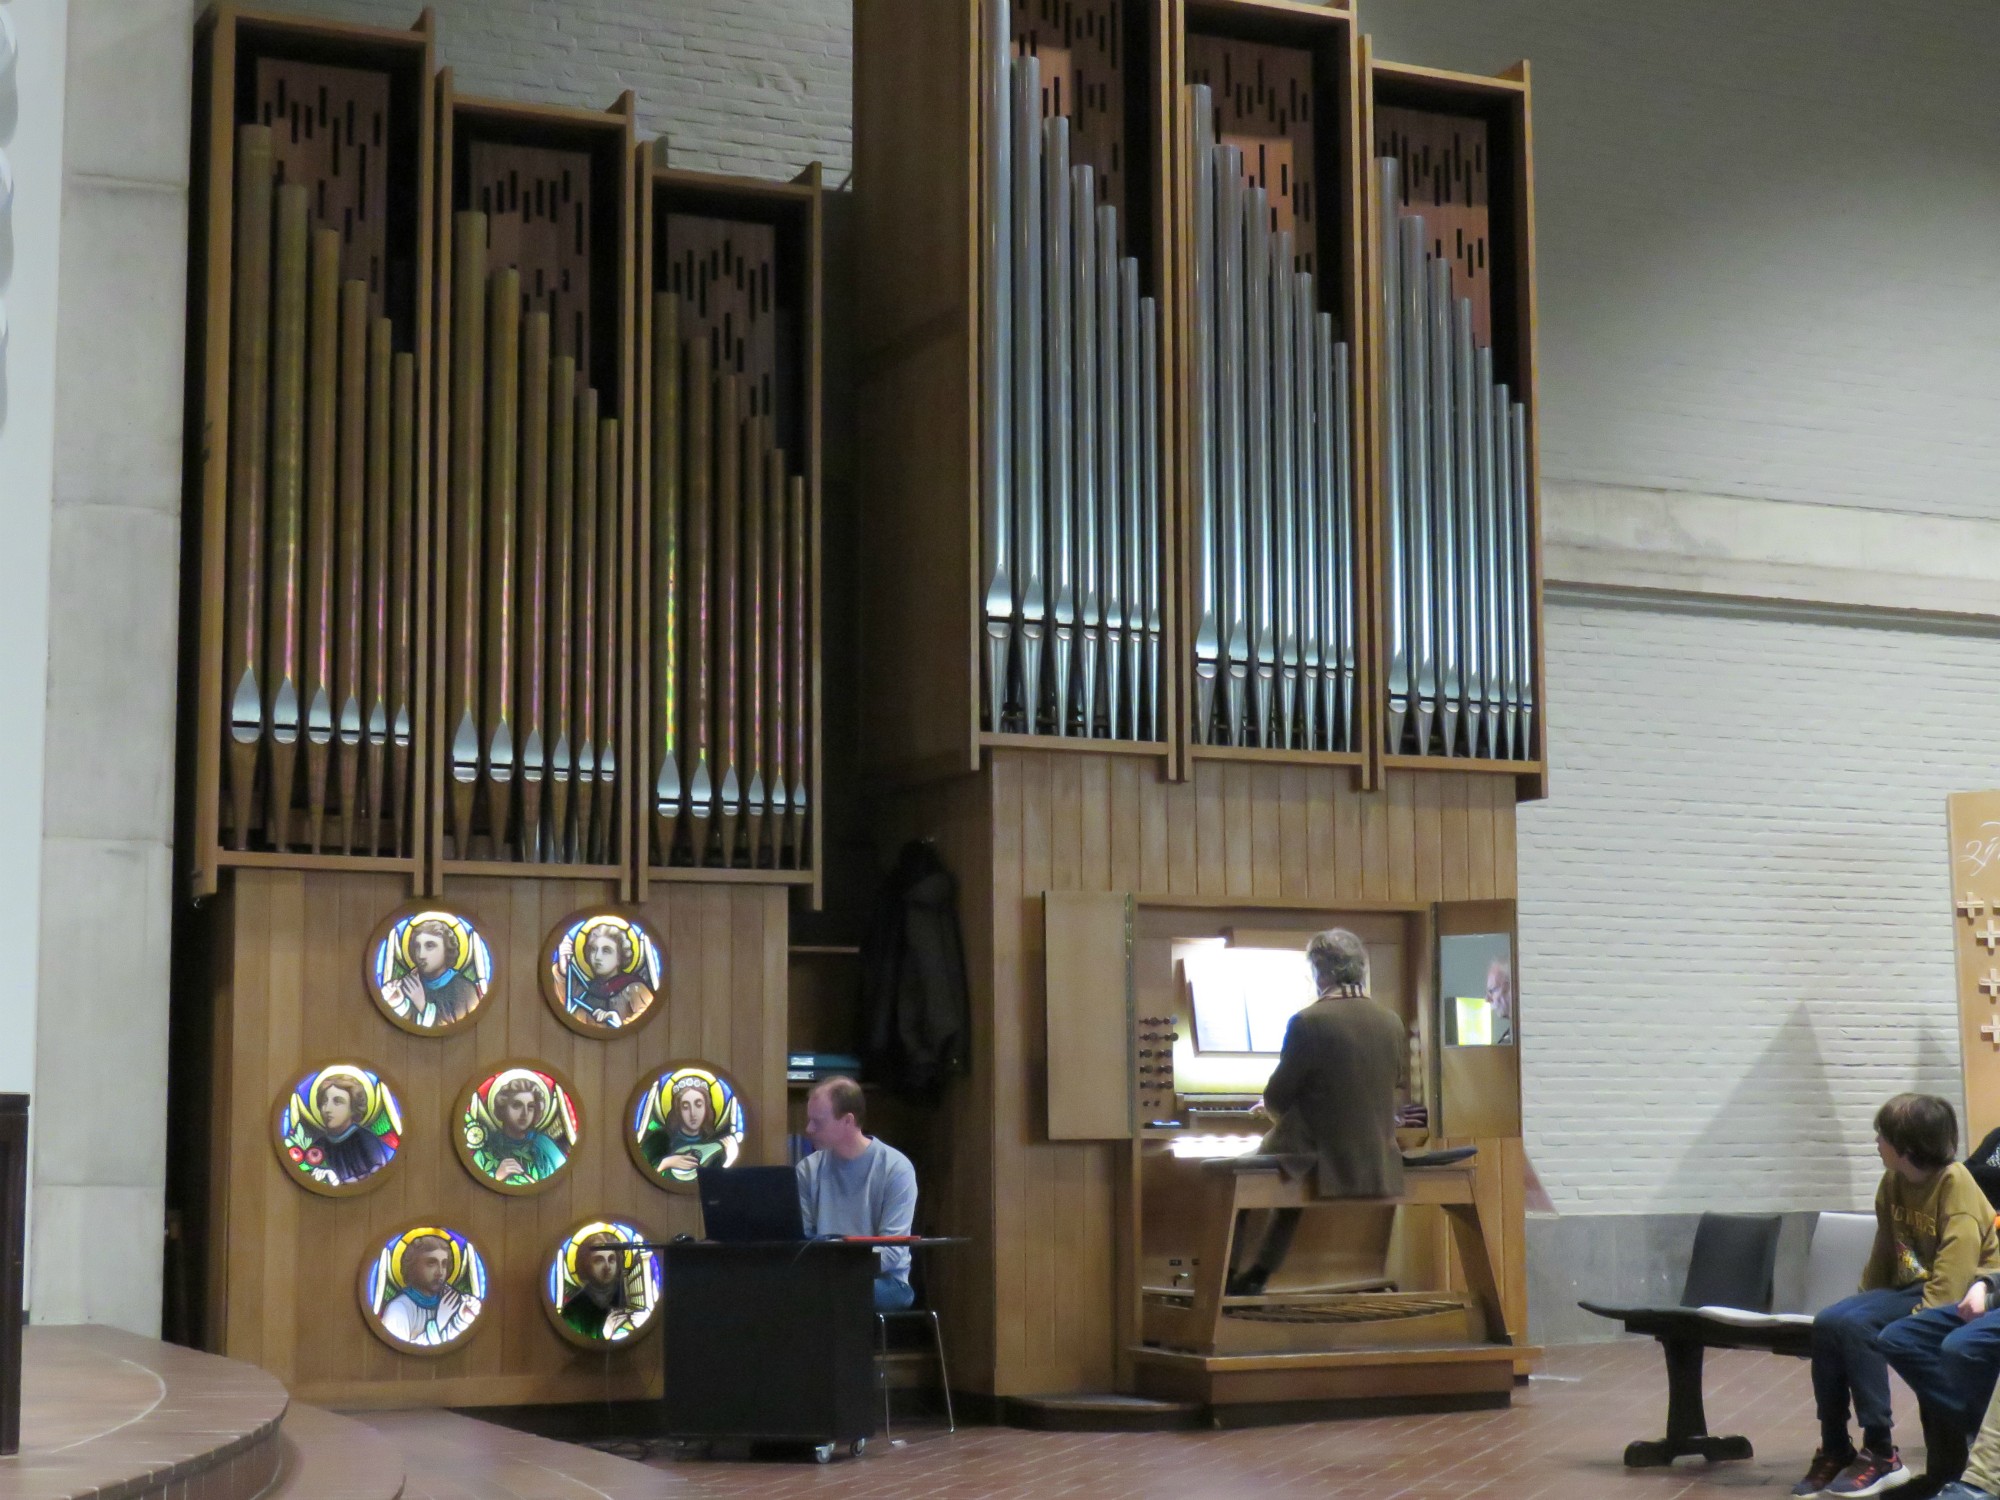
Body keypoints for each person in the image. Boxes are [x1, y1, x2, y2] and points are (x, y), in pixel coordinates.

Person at [1796, 1095, 2000, 1500]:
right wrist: (1863, 1301)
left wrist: (1912, 1323)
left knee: (1865, 1327)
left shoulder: (1956, 1186)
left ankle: (1881, 1450)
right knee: (1832, 1321)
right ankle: (1835, 1445)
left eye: (1881, 1136)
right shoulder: (1893, 1182)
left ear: (1906, 1147)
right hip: (1914, 1286)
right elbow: (1885, 1252)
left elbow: (1951, 1280)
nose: (1875, 1142)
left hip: (1964, 1288)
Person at [1223, 928, 1405, 1298]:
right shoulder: (1391, 1021)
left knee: (1231, 1175)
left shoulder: (1309, 1022)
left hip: (1319, 1156)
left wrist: (1274, 1114)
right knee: (1286, 1182)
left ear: (1320, 973)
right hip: (1376, 1153)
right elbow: (1391, 1081)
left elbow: (1276, 1096)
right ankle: (1258, 1275)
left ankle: (1224, 1286)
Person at [795, 1076, 919, 1311]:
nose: (808, 1129)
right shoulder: (808, 1169)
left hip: (886, 1281)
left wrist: (839, 1269)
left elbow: (892, 1252)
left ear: (847, 1121)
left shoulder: (895, 1168)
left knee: (825, 1293)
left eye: (817, 1122)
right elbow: (803, 1238)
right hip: (825, 1277)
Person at [381, 1232, 481, 1347]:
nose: (440, 1272)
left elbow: (449, 1346)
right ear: (413, 1267)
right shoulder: (398, 1309)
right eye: (431, 1263)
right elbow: (402, 1355)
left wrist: (462, 1318)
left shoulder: (447, 1302)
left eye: (444, 1264)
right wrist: (438, 1323)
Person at [383, 917, 480, 1028]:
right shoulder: (408, 984)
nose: (421, 955)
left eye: (430, 946)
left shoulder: (464, 990)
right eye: (417, 946)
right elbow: (407, 1029)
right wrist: (397, 1002)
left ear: (447, 950)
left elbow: (455, 1030)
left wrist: (422, 1004)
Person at [474, 1074, 567, 1184]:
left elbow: (563, 1180)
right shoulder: (487, 1148)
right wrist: (496, 1177)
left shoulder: (545, 1145)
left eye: (531, 1107)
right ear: (502, 1109)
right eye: (517, 1105)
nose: (525, 1113)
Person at [641, 1075, 735, 1181]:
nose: (692, 1113)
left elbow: (716, 1188)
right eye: (685, 1106)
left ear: (707, 1108)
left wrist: (730, 1159)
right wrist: (666, 1163)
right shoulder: (658, 1141)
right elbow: (642, 1177)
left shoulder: (719, 1143)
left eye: (698, 1105)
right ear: (677, 1109)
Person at [305, 1071, 391, 1185]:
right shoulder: (317, 1146)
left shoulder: (366, 1140)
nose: (327, 1109)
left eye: (338, 1101)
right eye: (324, 1101)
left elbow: (375, 1178)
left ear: (353, 1108)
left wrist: (337, 1181)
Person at [567, 919, 655, 1027]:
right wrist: (563, 969)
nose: (597, 957)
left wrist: (618, 1023)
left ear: (620, 957)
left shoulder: (634, 988)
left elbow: (650, 1020)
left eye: (606, 951)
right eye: (593, 949)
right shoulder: (585, 990)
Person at [561, 1231, 637, 1340]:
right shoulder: (573, 1311)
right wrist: (605, 1333)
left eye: (611, 1259)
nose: (607, 1267)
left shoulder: (628, 1299)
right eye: (599, 1260)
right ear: (585, 1265)